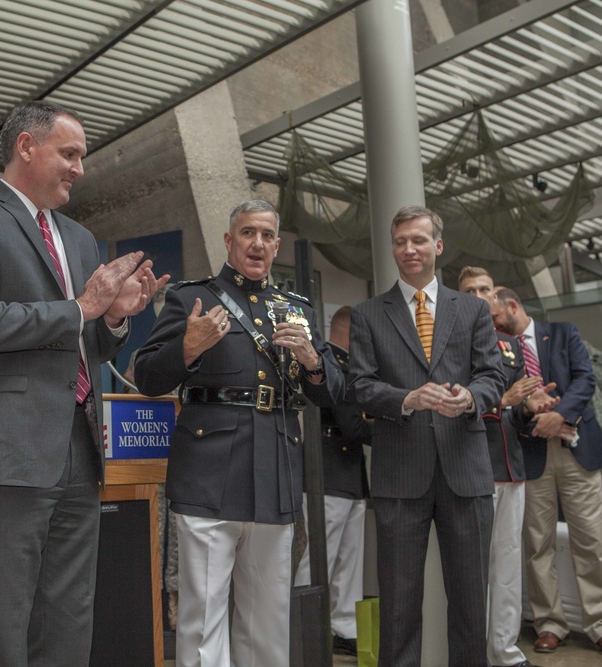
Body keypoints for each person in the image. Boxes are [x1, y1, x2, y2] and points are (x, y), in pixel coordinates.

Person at [0, 100, 166, 666]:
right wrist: (81, 306)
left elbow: (86, 344)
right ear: (26, 147)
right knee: (1, 616)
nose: (79, 168)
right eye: (69, 154)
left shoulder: (82, 239)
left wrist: (114, 318)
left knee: (69, 615)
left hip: (80, 449)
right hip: (9, 449)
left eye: (81, 157)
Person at [134, 199, 343, 667]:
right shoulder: (192, 300)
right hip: (209, 474)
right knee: (204, 621)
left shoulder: (296, 310)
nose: (258, 244)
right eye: (248, 233)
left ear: (276, 246)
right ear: (229, 241)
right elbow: (147, 376)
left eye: (267, 235)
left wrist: (312, 361)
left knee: (267, 623)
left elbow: (334, 394)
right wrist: (187, 347)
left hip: (275, 473)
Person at [348, 205, 504, 667]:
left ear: (438, 246)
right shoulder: (368, 314)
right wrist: (408, 399)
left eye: (418, 240)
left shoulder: (473, 309)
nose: (409, 249)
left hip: (466, 469)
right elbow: (360, 385)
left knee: (472, 603)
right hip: (400, 473)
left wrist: (471, 398)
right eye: (400, 242)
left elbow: (492, 377)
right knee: (397, 605)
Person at [491, 287, 602, 658]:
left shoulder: (564, 332)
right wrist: (535, 415)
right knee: (537, 544)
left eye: (495, 317)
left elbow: (585, 380)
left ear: (512, 305)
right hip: (531, 452)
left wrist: (559, 414)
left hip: (576, 449)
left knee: (591, 540)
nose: (492, 325)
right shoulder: (497, 348)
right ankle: (549, 623)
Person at [458, 267, 559, 667]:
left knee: (508, 563)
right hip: (470, 467)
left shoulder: (510, 346)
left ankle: (505, 651)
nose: (481, 296)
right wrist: (505, 399)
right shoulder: (450, 343)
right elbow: (457, 406)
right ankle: (474, 654)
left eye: (487, 289)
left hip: (512, 467)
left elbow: (516, 413)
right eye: (471, 290)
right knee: (473, 569)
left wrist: (529, 407)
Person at [294, 305, 369, 658]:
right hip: (326, 469)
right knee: (319, 557)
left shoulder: (349, 365)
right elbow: (352, 421)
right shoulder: (331, 362)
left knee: (348, 560)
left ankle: (344, 626)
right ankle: (303, 625)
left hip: (349, 472)